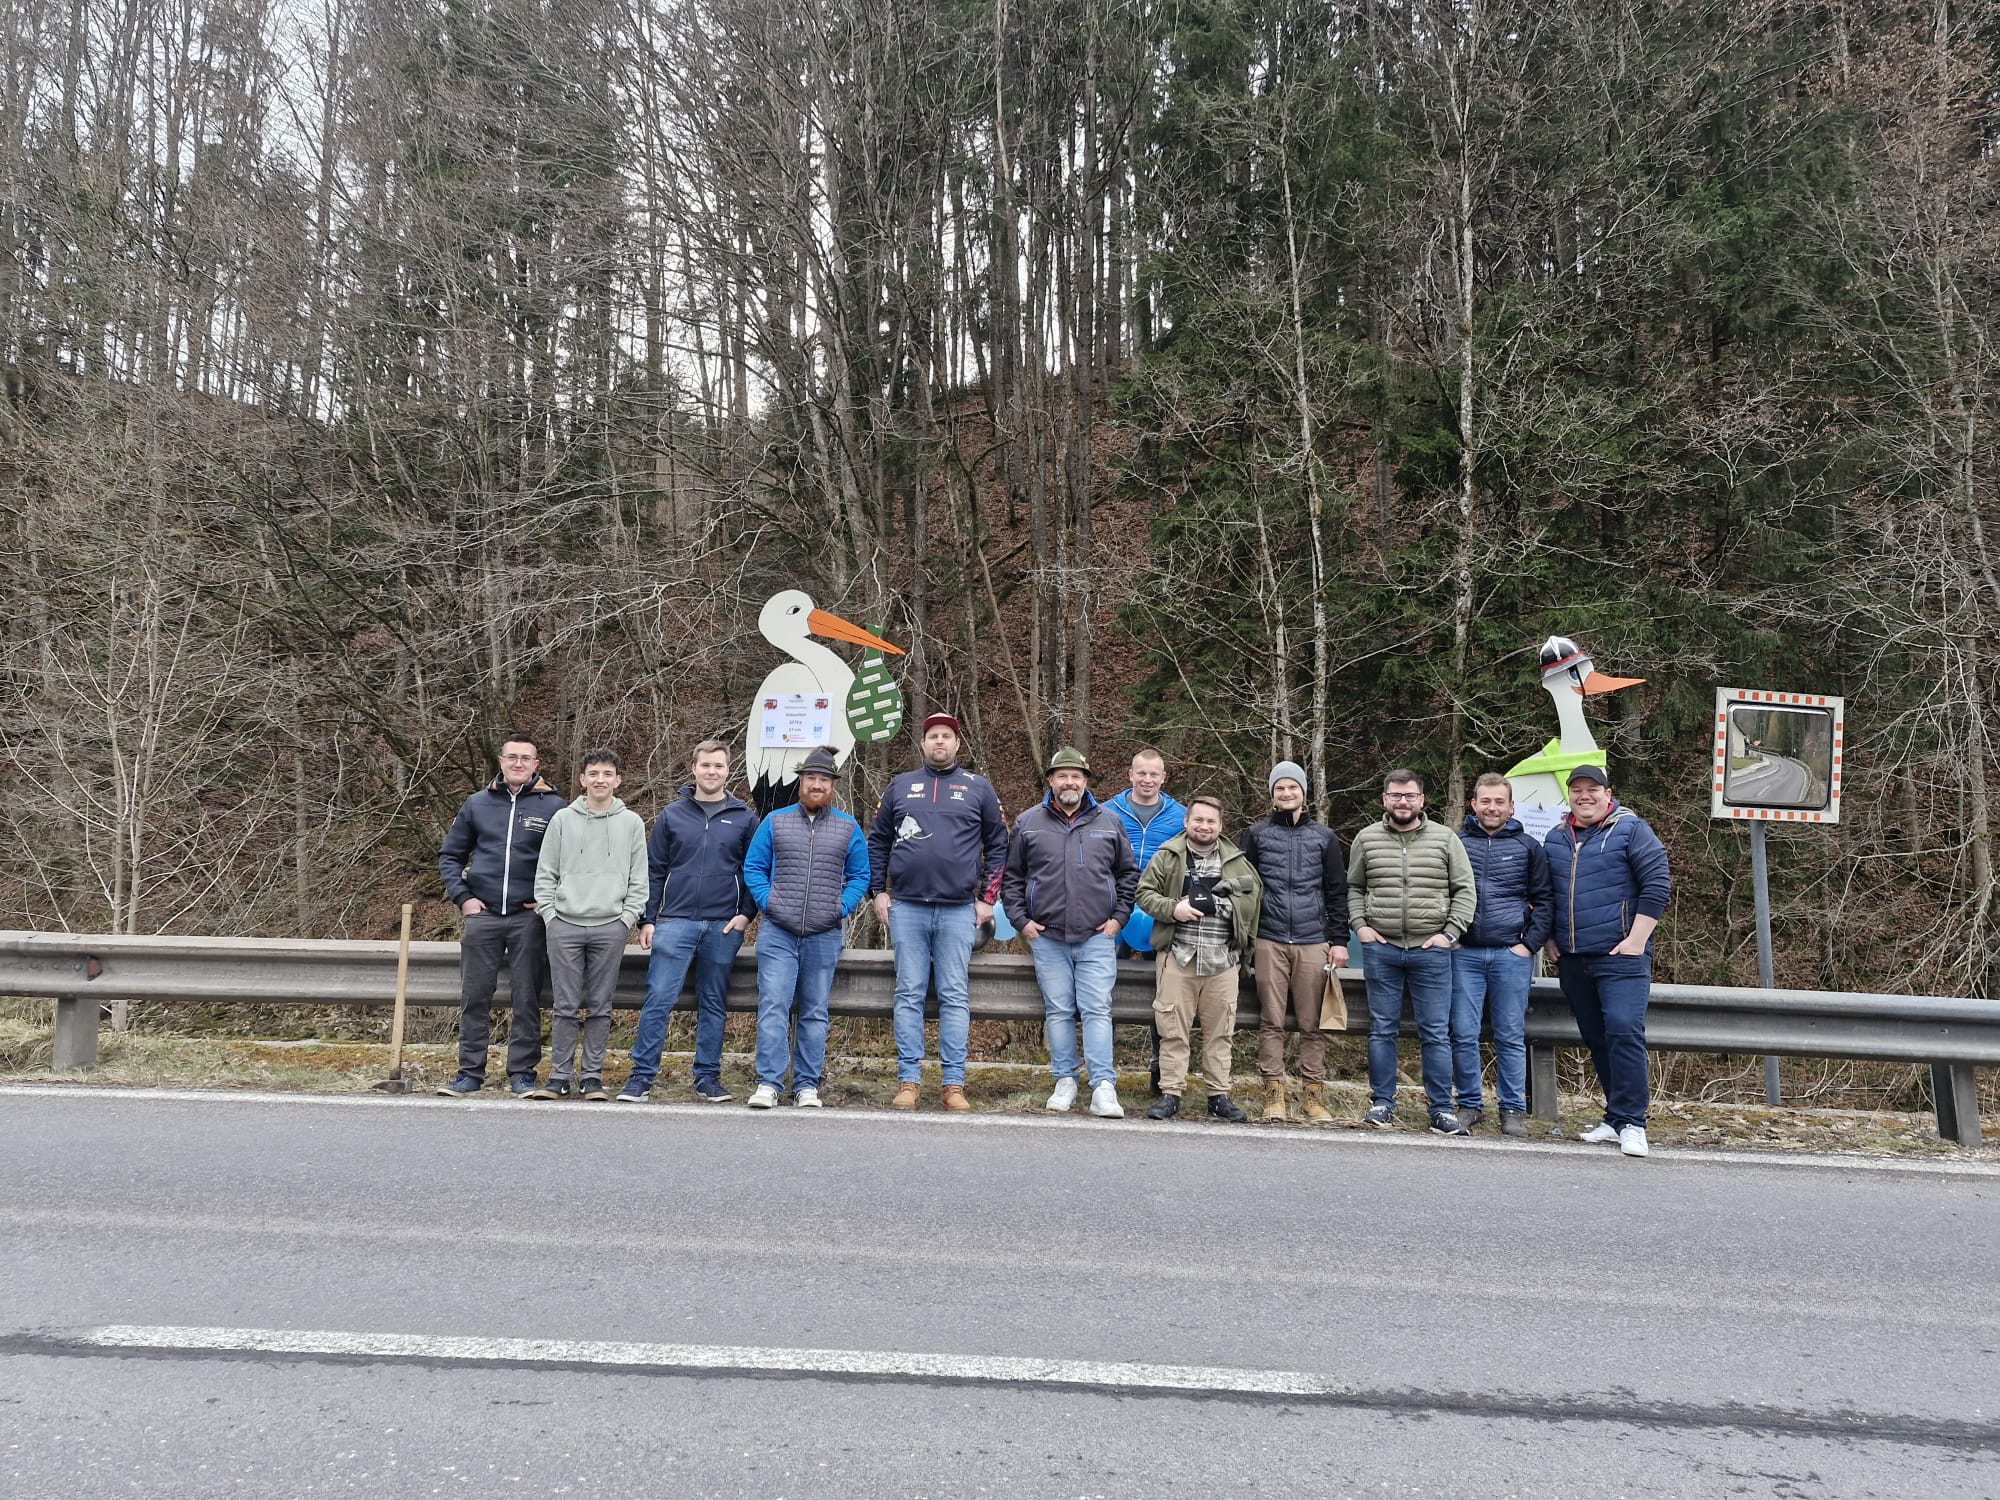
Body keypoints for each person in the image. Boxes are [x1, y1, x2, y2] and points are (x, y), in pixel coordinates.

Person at [868, 712, 1009, 1112]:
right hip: (907, 907)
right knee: (908, 993)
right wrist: (878, 892)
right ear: (923, 744)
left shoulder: (978, 788)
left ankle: (953, 1084)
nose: (939, 742)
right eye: (932, 736)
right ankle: (909, 1081)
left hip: (958, 910)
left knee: (953, 995)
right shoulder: (900, 786)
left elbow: (999, 844)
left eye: (946, 736)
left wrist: (988, 898)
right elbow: (877, 842)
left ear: (957, 744)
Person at [617, 740, 759, 1103]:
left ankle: (707, 1078)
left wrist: (745, 914)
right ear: (694, 769)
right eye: (706, 765)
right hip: (674, 921)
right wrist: (647, 919)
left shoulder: (744, 817)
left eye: (719, 766)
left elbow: (755, 870)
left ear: (729, 771)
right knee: (659, 999)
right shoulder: (672, 815)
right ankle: (641, 1078)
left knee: (713, 1002)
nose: (712, 771)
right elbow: (654, 868)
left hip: (723, 925)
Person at [1542, 764, 1672, 1158]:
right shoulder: (1555, 838)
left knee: (1623, 1030)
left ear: (1607, 792)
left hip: (1621, 957)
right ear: (1569, 796)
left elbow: (1658, 884)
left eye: (1592, 789)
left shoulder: (1631, 830)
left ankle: (1634, 1122)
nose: (1585, 796)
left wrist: (1636, 940)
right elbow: (1544, 892)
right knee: (1597, 1038)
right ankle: (1615, 1119)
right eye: (1577, 790)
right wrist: (1550, 937)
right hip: (1573, 958)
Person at [1001, 746, 1138, 1120]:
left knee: (1097, 1009)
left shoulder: (1108, 822)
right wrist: (1021, 921)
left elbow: (1128, 875)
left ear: (1085, 782)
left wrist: (1118, 919)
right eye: (1062, 775)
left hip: (1097, 935)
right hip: (1047, 937)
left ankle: (1103, 1087)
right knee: (1059, 1010)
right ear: (1050, 781)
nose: (1069, 782)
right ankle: (1064, 1081)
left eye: (1076, 776)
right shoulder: (1029, 822)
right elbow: (1011, 878)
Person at [1347, 769, 1477, 1134]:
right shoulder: (1367, 838)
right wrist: (1362, 927)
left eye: (1410, 795)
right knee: (1382, 1029)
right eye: (1395, 795)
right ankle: (1382, 1105)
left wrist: (1450, 933)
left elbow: (1464, 890)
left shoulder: (1445, 839)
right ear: (1384, 799)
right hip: (1382, 949)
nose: (1402, 801)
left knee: (1435, 1032)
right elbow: (1354, 887)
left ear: (1421, 800)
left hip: (1431, 950)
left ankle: (1441, 1110)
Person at [436, 736, 567, 1097]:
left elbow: (570, 861)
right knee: (475, 996)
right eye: (512, 757)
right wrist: (463, 898)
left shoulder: (554, 807)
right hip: (484, 915)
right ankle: (469, 1074)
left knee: (527, 996)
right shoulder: (477, 804)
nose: (519, 763)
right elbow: (450, 856)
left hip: (530, 918)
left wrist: (548, 900)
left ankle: (522, 1073)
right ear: (501, 760)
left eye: (526, 758)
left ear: (536, 764)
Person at [740, 747, 871, 1109]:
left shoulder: (848, 827)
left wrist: (840, 907)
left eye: (824, 780)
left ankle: (807, 1085)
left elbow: (861, 874)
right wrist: (770, 902)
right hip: (778, 932)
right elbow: (753, 868)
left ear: (833, 786)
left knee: (814, 1011)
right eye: (811, 778)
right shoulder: (775, 821)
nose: (817, 784)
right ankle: (768, 1083)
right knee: (773, 1006)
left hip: (824, 933)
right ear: (801, 782)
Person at [1134, 794, 1263, 1122]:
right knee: (1172, 1029)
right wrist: (1173, 908)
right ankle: (1170, 1094)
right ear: (1187, 822)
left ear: (1220, 826)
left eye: (1211, 821)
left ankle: (1218, 1095)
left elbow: (1254, 901)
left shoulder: (1236, 861)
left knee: (1221, 1031)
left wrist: (1225, 906)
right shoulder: (1168, 857)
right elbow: (1144, 894)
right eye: (1199, 820)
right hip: (1178, 957)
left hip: (1222, 959)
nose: (1204, 826)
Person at [529, 748, 648, 1101]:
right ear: (582, 779)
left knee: (600, 1005)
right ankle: (560, 1076)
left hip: (610, 925)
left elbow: (639, 879)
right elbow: (545, 873)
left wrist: (626, 918)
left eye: (607, 774)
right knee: (565, 1005)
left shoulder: (632, 823)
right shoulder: (563, 820)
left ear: (618, 780)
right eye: (593, 773)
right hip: (564, 923)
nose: (600, 780)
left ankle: (592, 1077)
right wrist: (550, 915)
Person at [1239, 761, 1350, 1123]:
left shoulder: (1324, 837)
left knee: (1311, 1023)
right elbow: (1246, 889)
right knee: (1271, 1021)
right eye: (1280, 788)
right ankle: (1274, 1095)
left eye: (1293, 787)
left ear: (1304, 792)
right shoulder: (1255, 835)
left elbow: (1336, 890)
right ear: (1272, 794)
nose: (1286, 793)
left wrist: (1339, 940)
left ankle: (1313, 1098)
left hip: (1312, 940)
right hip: (1269, 939)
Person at [1453, 772, 1554, 1136]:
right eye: (1485, 801)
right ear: (1474, 804)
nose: (1492, 807)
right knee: (1463, 1032)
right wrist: (1451, 935)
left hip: (1511, 955)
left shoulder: (1529, 847)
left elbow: (1545, 901)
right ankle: (1469, 1105)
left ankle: (1512, 1109)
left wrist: (1528, 945)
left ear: (1511, 806)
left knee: (1510, 1035)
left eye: (1499, 802)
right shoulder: (1457, 843)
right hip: (1464, 954)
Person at [1105, 747, 1186, 1093]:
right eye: (1142, 773)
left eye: (1154, 774)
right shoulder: (1107, 811)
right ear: (1130, 774)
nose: (1148, 780)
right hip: (1113, 908)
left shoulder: (1180, 815)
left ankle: (1159, 1069)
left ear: (1163, 777)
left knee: (1164, 993)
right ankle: (1103, 1069)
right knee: (1102, 989)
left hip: (1159, 910)